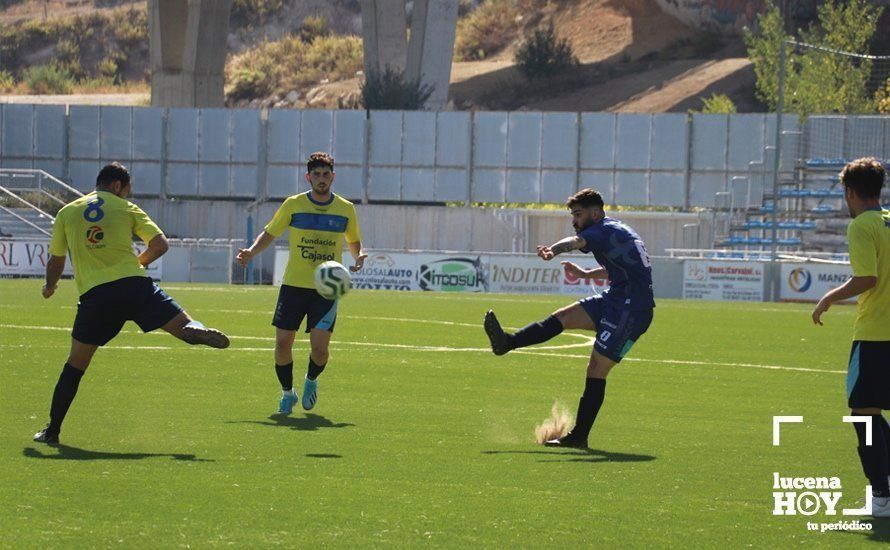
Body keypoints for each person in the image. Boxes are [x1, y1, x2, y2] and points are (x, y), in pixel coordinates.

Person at [34, 162, 230, 445]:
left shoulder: (67, 212)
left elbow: (56, 260)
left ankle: (52, 430)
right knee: (184, 325)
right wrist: (135, 265)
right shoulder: (126, 208)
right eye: (127, 190)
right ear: (118, 186)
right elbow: (160, 244)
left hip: (96, 295)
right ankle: (197, 329)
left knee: (75, 366)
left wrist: (50, 286)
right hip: (136, 286)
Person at [484, 188, 655, 449]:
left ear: (595, 213)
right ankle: (507, 343)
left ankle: (579, 437)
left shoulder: (601, 230)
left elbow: (574, 243)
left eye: (578, 214)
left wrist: (553, 251)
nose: (574, 220)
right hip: (616, 298)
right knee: (563, 317)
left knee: (597, 369)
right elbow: (625, 267)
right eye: (572, 215)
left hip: (632, 310)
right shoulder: (613, 229)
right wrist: (587, 275)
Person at [236, 152, 366, 415]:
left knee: (319, 350)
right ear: (308, 177)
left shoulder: (345, 209)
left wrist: (358, 255)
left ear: (333, 177)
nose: (321, 179)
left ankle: (311, 381)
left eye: (325, 174)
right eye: (316, 174)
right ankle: (287, 393)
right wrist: (251, 251)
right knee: (283, 344)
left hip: (326, 289)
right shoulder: (293, 205)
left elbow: (353, 240)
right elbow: (270, 232)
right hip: (293, 286)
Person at [812, 157, 890, 518]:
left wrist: (828, 297)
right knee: (873, 414)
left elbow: (867, 279)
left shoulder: (862, 226)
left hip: (876, 334)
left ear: (850, 191)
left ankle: (881, 497)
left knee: (864, 414)